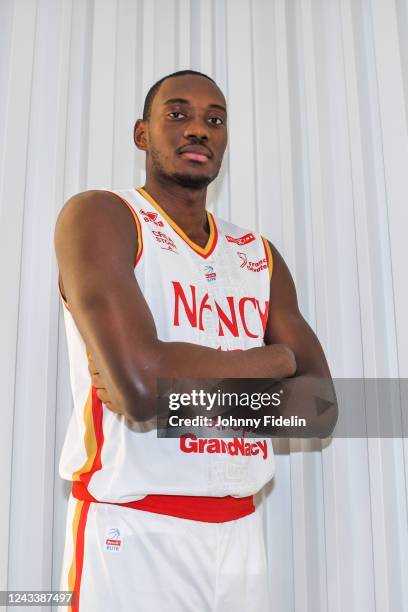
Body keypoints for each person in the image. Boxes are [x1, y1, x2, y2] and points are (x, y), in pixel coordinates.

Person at [55, 69, 336, 611]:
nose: (199, 130)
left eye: (215, 120)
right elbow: (139, 388)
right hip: (133, 533)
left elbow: (320, 408)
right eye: (178, 114)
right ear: (142, 133)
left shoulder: (258, 254)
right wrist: (273, 360)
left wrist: (171, 387)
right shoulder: (102, 216)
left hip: (239, 532)